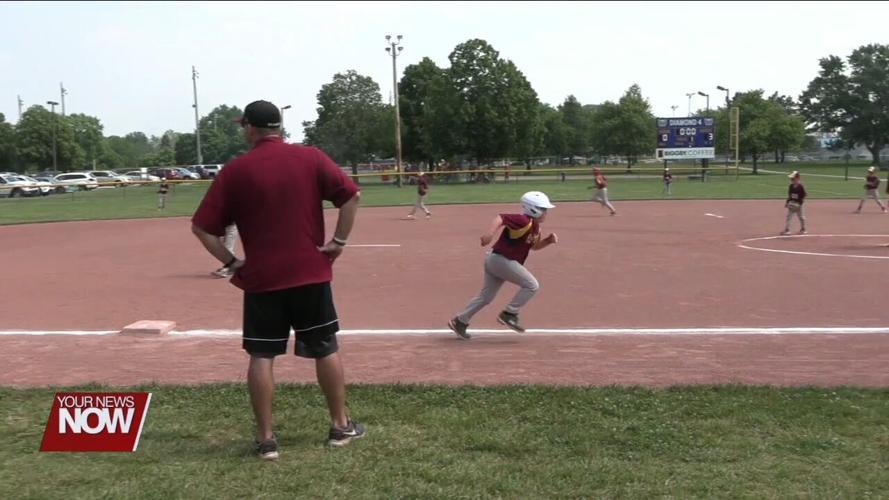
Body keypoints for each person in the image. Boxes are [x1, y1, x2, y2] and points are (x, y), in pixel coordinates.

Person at [191, 100, 364, 460]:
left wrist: (232, 261)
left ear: (251, 128)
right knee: (325, 347)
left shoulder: (236, 170)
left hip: (263, 278)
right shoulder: (311, 157)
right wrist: (339, 242)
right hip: (310, 272)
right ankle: (339, 425)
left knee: (262, 354)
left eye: (244, 126)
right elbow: (351, 196)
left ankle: (266, 439)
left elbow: (201, 228)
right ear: (278, 127)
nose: (243, 131)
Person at [447, 191, 558, 340]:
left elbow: (534, 246)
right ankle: (510, 313)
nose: (546, 213)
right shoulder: (523, 220)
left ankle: (460, 321)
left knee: (486, 297)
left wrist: (548, 241)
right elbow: (501, 218)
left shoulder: (535, 227)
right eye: (544, 209)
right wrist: (490, 234)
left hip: (496, 261)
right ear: (533, 209)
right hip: (502, 260)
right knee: (532, 285)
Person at [781, 171, 807, 235]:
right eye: (791, 179)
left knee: (801, 217)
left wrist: (800, 204)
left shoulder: (801, 186)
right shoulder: (791, 186)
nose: (791, 180)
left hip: (799, 205)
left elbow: (804, 195)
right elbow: (790, 195)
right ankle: (787, 230)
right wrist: (787, 202)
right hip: (792, 203)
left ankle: (803, 229)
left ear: (798, 178)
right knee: (789, 217)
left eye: (793, 178)